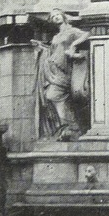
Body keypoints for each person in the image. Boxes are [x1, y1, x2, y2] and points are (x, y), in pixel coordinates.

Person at [33, 10, 89, 140]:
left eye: (57, 15)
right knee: (50, 96)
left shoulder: (72, 31)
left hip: (64, 70)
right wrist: (41, 47)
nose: (55, 17)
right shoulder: (55, 37)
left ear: (63, 16)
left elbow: (87, 34)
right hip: (51, 69)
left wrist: (73, 46)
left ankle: (73, 127)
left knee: (53, 95)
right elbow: (53, 51)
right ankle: (67, 127)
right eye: (53, 17)